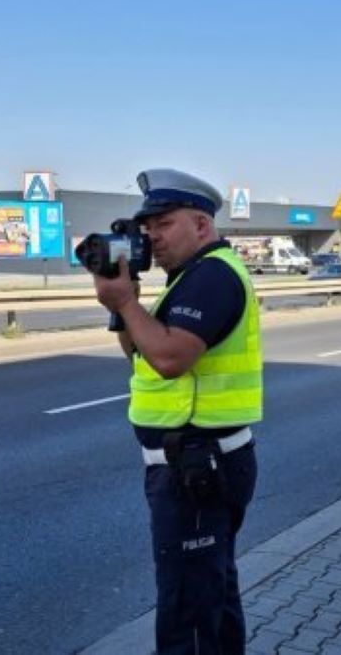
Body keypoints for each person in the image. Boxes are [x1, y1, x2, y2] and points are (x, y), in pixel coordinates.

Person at [92, 169, 261, 655]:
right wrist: (125, 307)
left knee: (188, 610)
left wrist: (125, 300)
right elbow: (141, 353)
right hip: (196, 463)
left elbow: (168, 359)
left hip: (197, 466)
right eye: (145, 226)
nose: (150, 236)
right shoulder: (186, 279)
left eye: (162, 223)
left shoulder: (212, 276)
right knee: (212, 593)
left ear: (201, 225)